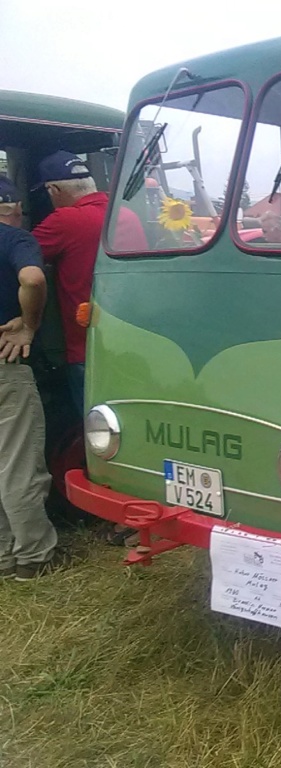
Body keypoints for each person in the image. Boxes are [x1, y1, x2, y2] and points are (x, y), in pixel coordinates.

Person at [31, 151, 146, 416]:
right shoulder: (127, 214)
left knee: (94, 426)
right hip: (130, 343)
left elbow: (16, 254)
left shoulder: (64, 220)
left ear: (53, 189)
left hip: (87, 349)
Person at [0, 176, 63, 581]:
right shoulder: (15, 239)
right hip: (5, 363)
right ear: (15, 207)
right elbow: (34, 279)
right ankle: (34, 556)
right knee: (17, 462)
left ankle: (3, 558)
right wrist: (29, 325)